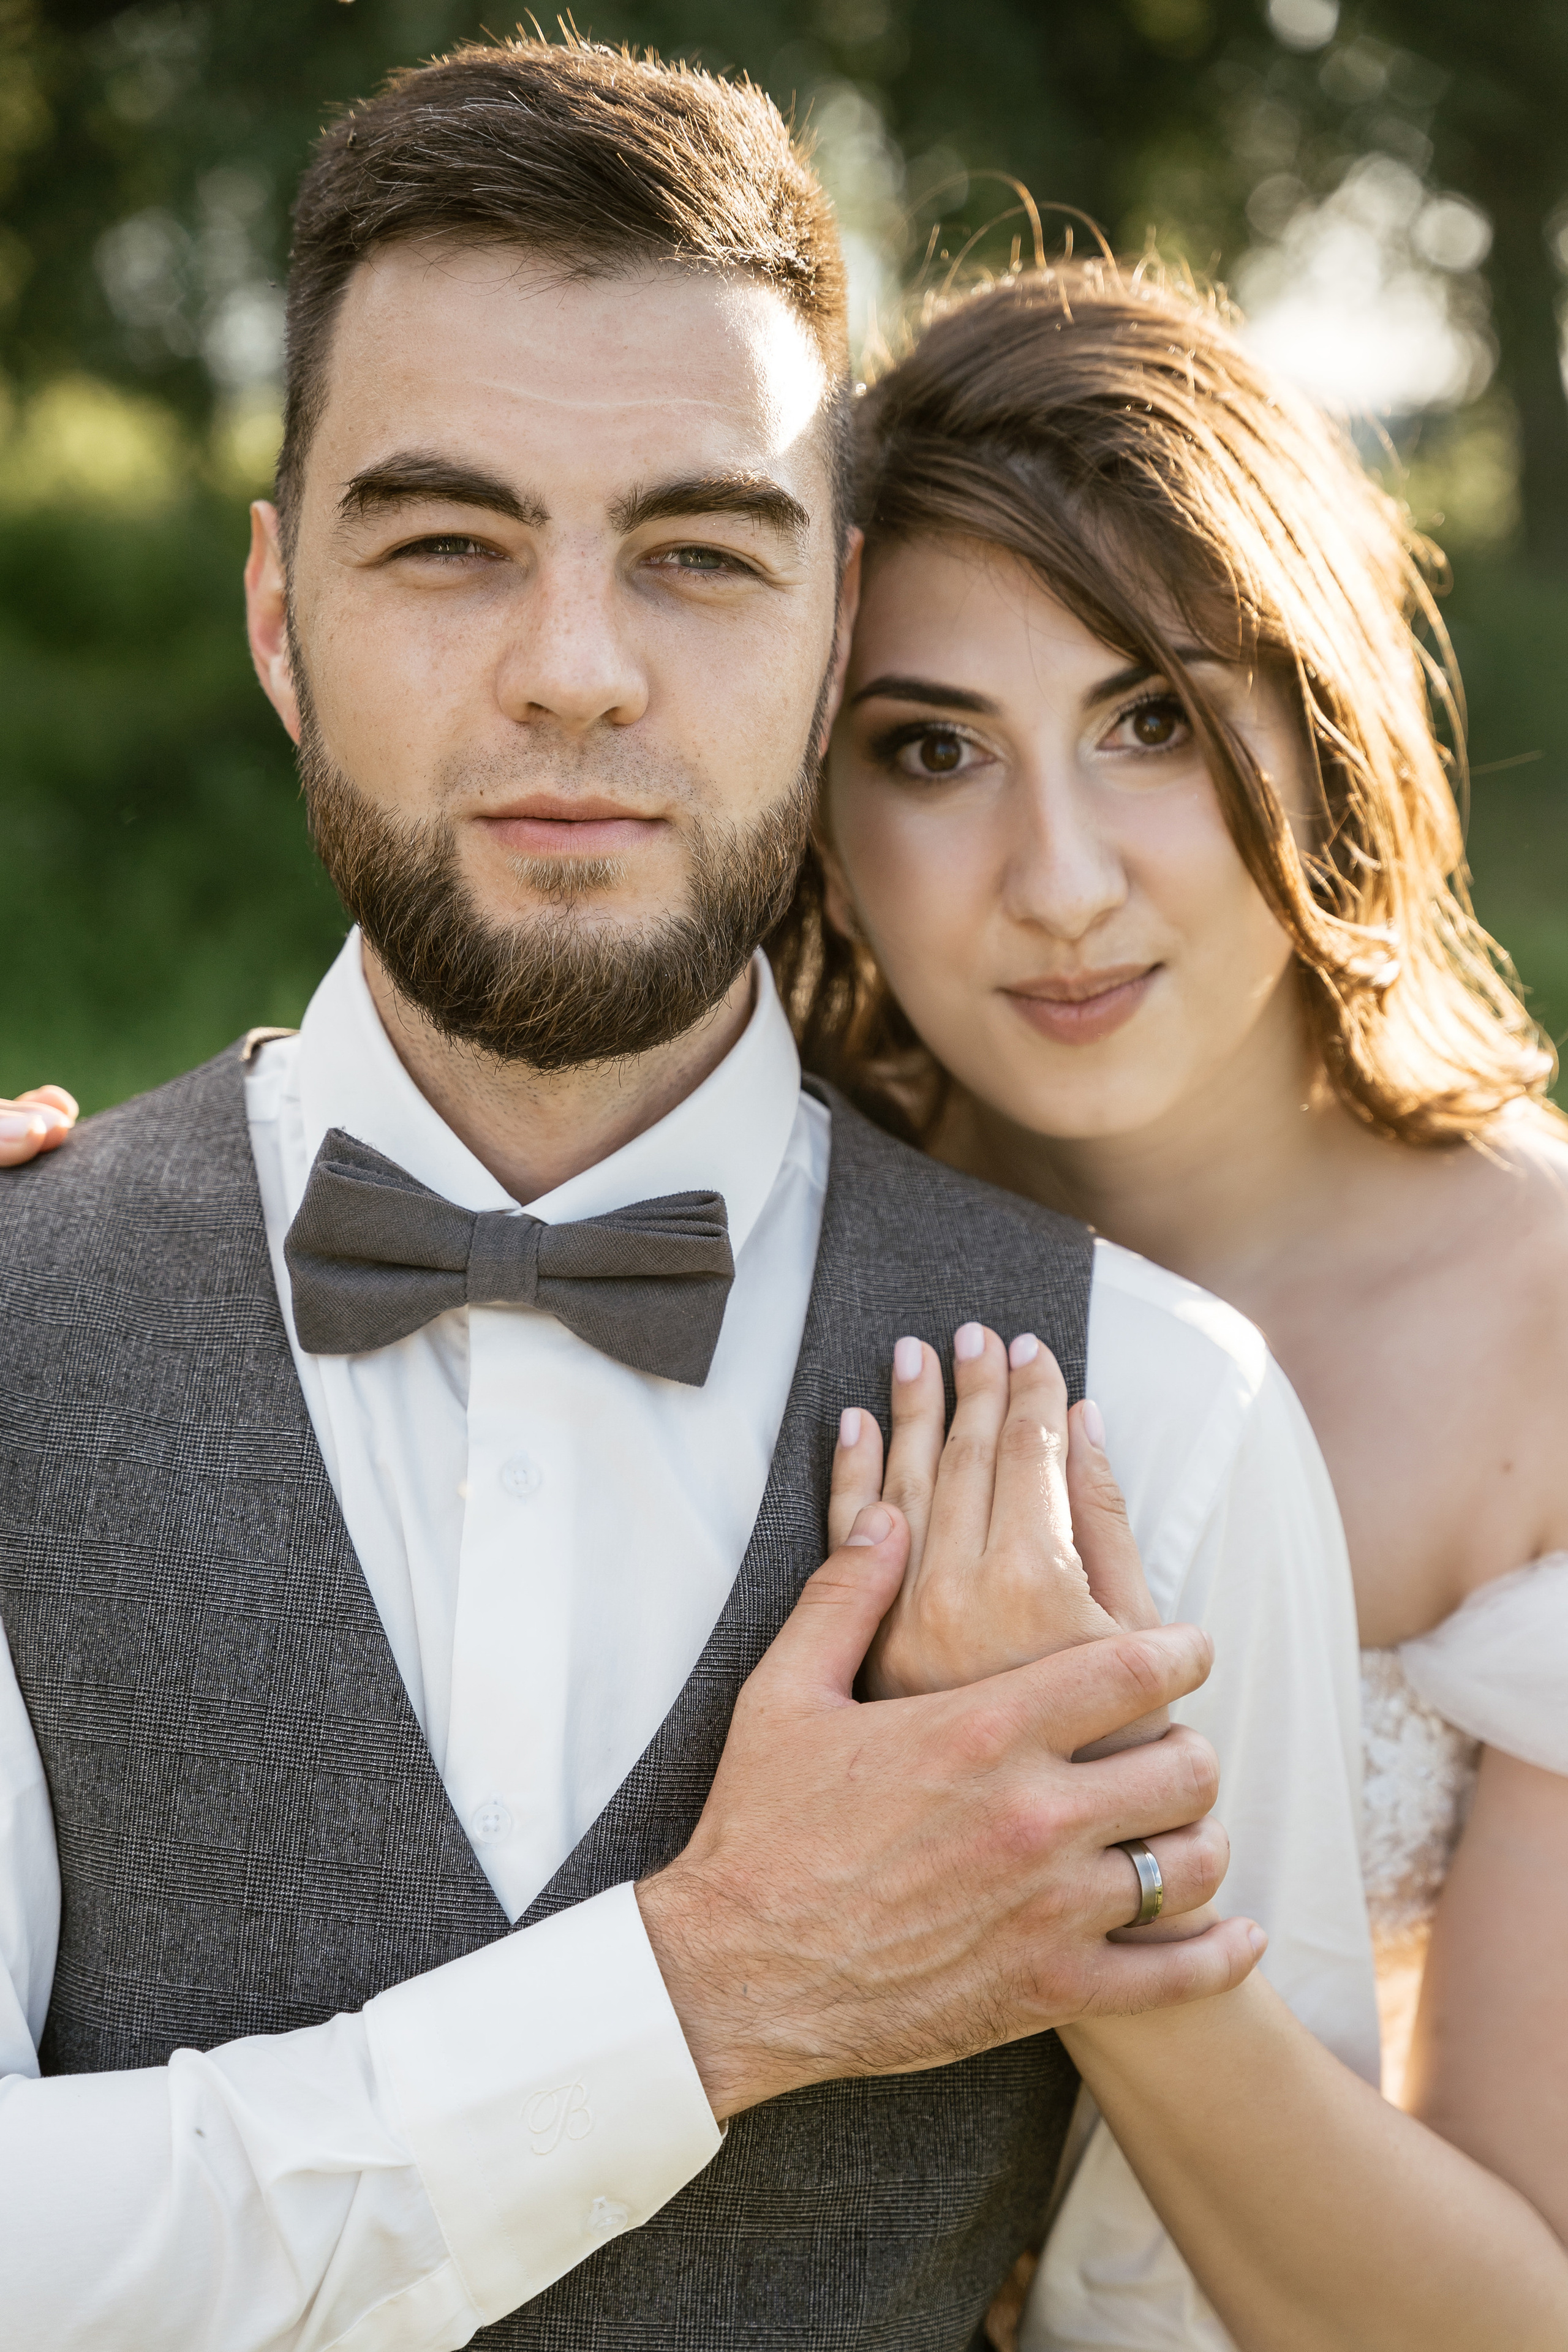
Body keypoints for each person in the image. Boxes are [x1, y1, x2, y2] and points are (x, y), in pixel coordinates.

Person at [0, 42, 1372, 2352]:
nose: (575, 671)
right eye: (447, 544)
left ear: (836, 627)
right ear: (277, 615)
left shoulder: (1164, 1418)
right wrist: (704, 1996)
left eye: (700, 555)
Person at [793, 258, 1568, 2347]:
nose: (1058, 882)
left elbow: (1517, 2311)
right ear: (817, 809)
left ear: (1320, 726)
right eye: (933, 749)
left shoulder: (1547, 1331)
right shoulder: (751, 1224)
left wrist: (1084, 1862)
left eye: (1147, 720)